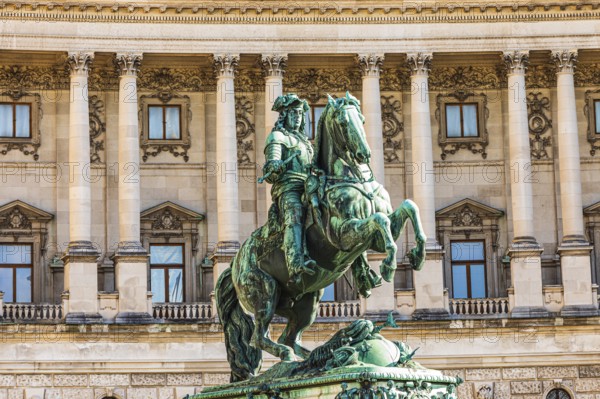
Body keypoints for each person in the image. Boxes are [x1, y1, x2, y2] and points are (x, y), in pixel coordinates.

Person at [262, 94, 317, 284]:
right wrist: (274, 166)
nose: (298, 117)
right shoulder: (277, 137)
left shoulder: (305, 143)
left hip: (309, 187)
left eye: (300, 113)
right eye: (293, 113)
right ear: (284, 115)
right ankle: (295, 263)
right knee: (294, 212)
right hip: (289, 188)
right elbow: (271, 172)